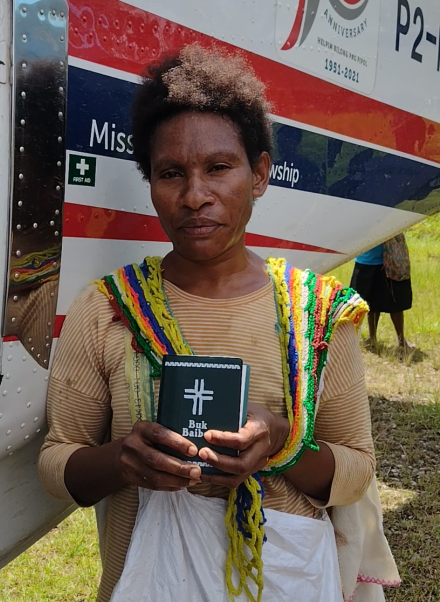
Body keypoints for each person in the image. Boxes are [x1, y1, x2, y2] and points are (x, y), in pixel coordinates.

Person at [38, 45, 398, 602]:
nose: (195, 196)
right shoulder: (108, 310)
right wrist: (123, 461)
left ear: (258, 173)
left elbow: (354, 468)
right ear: (151, 182)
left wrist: (283, 442)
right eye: (171, 173)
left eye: (220, 168)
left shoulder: (318, 315)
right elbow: (58, 463)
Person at [350, 235, 414, 352]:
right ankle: (372, 338)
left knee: (396, 303)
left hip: (390, 261)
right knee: (370, 303)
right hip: (366, 261)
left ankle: (401, 341)